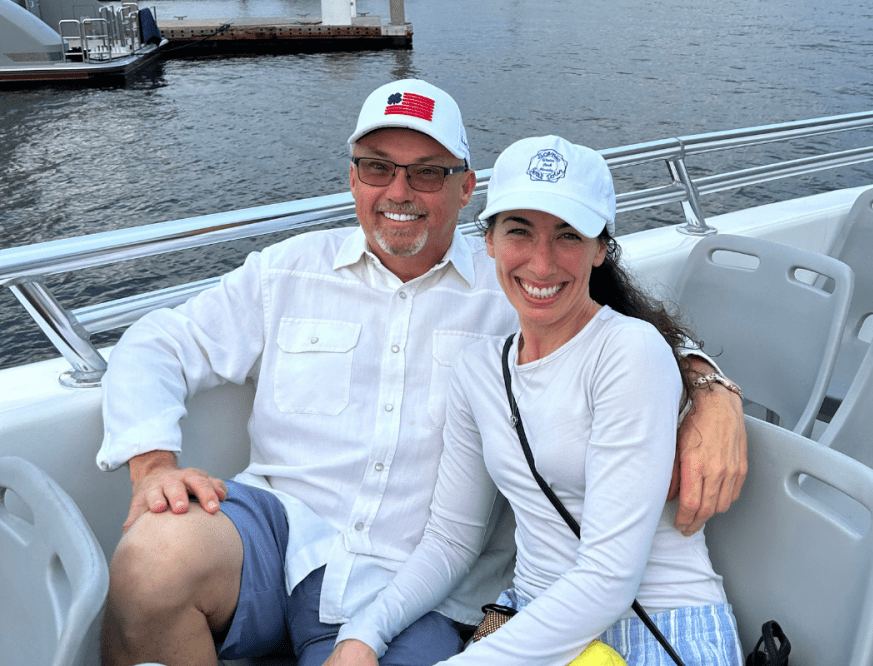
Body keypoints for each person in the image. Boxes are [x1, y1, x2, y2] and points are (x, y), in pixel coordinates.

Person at [97, 80, 747, 666]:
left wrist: (711, 388)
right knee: (152, 562)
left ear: (467, 189)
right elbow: (158, 340)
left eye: (427, 173)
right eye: (377, 167)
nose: (398, 192)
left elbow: (630, 329)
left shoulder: (518, 285)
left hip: (423, 583)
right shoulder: (286, 270)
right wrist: (154, 468)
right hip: (279, 533)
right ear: (353, 177)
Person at [328, 136, 742, 666]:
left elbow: (609, 578)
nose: (542, 264)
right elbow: (452, 541)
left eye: (568, 236)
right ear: (491, 242)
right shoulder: (478, 370)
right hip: (532, 618)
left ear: (600, 249)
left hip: (655, 627)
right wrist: (364, 634)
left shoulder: (628, 352)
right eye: (519, 231)